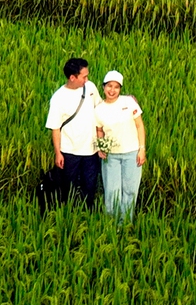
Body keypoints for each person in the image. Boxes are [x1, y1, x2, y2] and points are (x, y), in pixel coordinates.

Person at [46, 56, 101, 208]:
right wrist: (58, 153)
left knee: (89, 186)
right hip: (70, 151)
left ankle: (87, 213)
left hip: (91, 150)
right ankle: (68, 213)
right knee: (68, 187)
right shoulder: (58, 98)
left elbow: (100, 108)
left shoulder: (90, 87)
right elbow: (55, 128)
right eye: (84, 76)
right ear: (72, 77)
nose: (87, 79)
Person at [94, 71, 146, 219]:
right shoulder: (99, 109)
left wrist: (142, 149)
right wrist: (101, 147)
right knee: (112, 190)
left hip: (132, 153)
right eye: (109, 86)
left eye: (116, 87)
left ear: (120, 89)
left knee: (130, 190)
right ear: (103, 87)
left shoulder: (129, 102)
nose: (112, 90)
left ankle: (125, 223)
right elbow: (99, 130)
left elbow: (139, 126)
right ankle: (111, 222)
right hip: (112, 156)